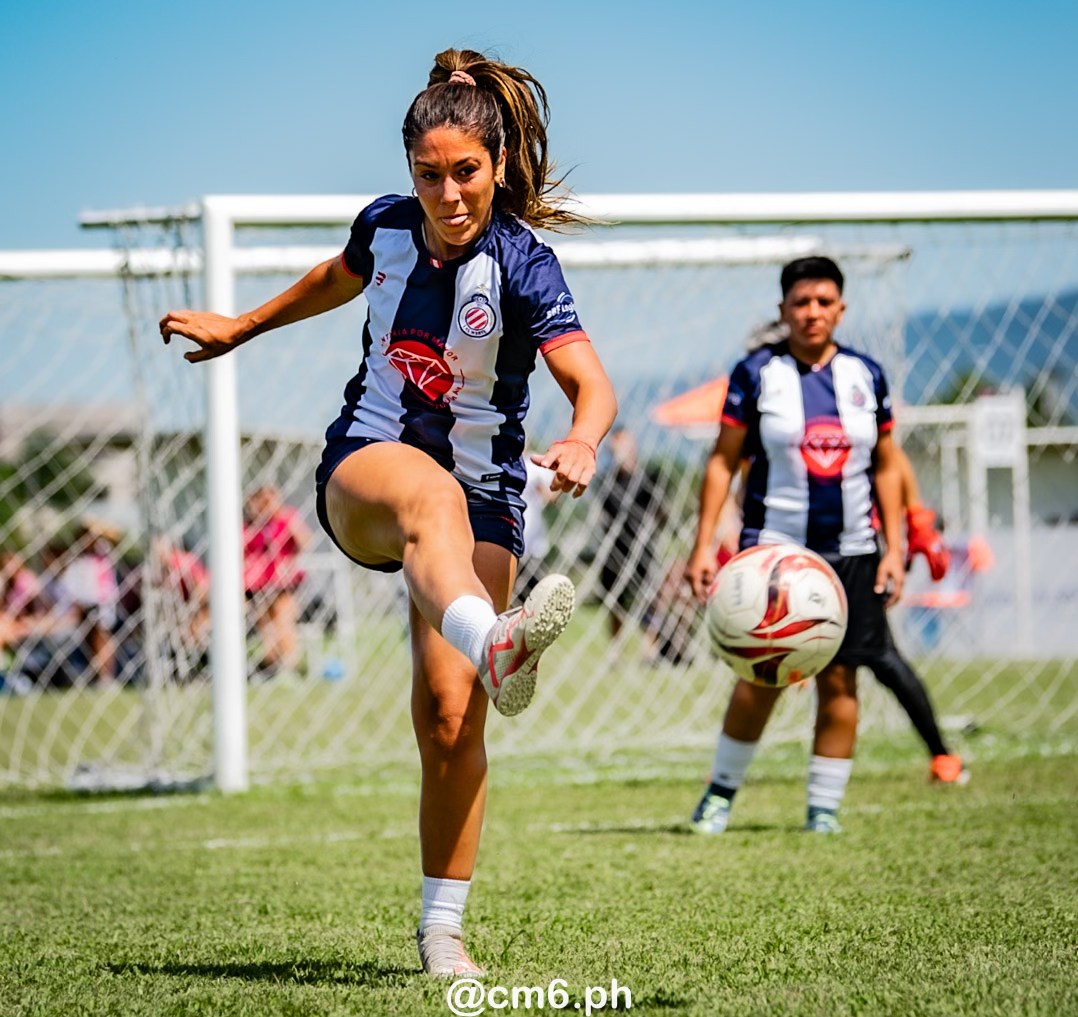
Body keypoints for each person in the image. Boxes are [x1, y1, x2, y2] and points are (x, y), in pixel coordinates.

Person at [160, 48, 617, 977]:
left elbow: (590, 381)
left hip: (488, 498)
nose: (447, 193)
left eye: (465, 173)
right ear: (408, 170)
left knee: (451, 718)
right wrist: (238, 327)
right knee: (426, 488)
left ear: (496, 166)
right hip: (366, 472)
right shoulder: (386, 229)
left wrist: (583, 439)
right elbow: (335, 278)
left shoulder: (524, 265)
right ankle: (497, 641)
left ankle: (441, 929)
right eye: (428, 173)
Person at [685, 255, 905, 835]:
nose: (812, 313)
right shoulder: (755, 372)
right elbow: (722, 461)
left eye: (824, 302)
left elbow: (886, 465)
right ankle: (719, 796)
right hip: (774, 552)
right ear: (783, 310)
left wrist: (896, 546)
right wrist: (704, 544)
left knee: (841, 678)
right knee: (760, 676)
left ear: (841, 308)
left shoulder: (867, 375)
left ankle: (823, 809)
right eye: (801, 303)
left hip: (853, 549)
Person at [597, 427, 667, 642]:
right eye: (616, 444)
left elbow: (662, 511)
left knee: (648, 597)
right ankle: (615, 647)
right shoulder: (607, 480)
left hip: (642, 545)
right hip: (615, 548)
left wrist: (652, 530)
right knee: (615, 599)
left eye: (624, 443)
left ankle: (651, 647)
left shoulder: (647, 477)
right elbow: (602, 512)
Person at [242, 485, 311, 677]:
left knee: (283, 618)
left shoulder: (284, 519)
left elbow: (305, 541)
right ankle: (272, 663)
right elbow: (243, 551)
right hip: (259, 583)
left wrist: (283, 516)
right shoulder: (250, 527)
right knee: (265, 624)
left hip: (283, 581)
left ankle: (290, 663)